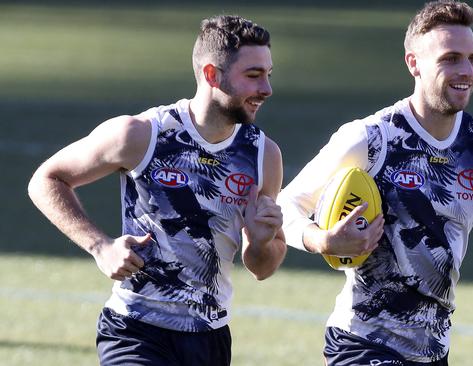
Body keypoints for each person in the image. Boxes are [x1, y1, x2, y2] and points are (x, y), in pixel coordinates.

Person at [277, 1, 473, 365]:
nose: (466, 71)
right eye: (450, 58)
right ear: (414, 63)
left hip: (433, 350)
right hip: (362, 342)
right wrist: (322, 239)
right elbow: (284, 206)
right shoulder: (372, 139)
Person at [28, 15, 286, 366]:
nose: (267, 89)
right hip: (135, 329)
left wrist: (260, 242)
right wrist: (101, 247)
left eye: (268, 75)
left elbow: (263, 267)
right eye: (254, 76)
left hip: (209, 337)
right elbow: (46, 180)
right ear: (212, 75)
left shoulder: (263, 155)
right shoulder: (140, 135)